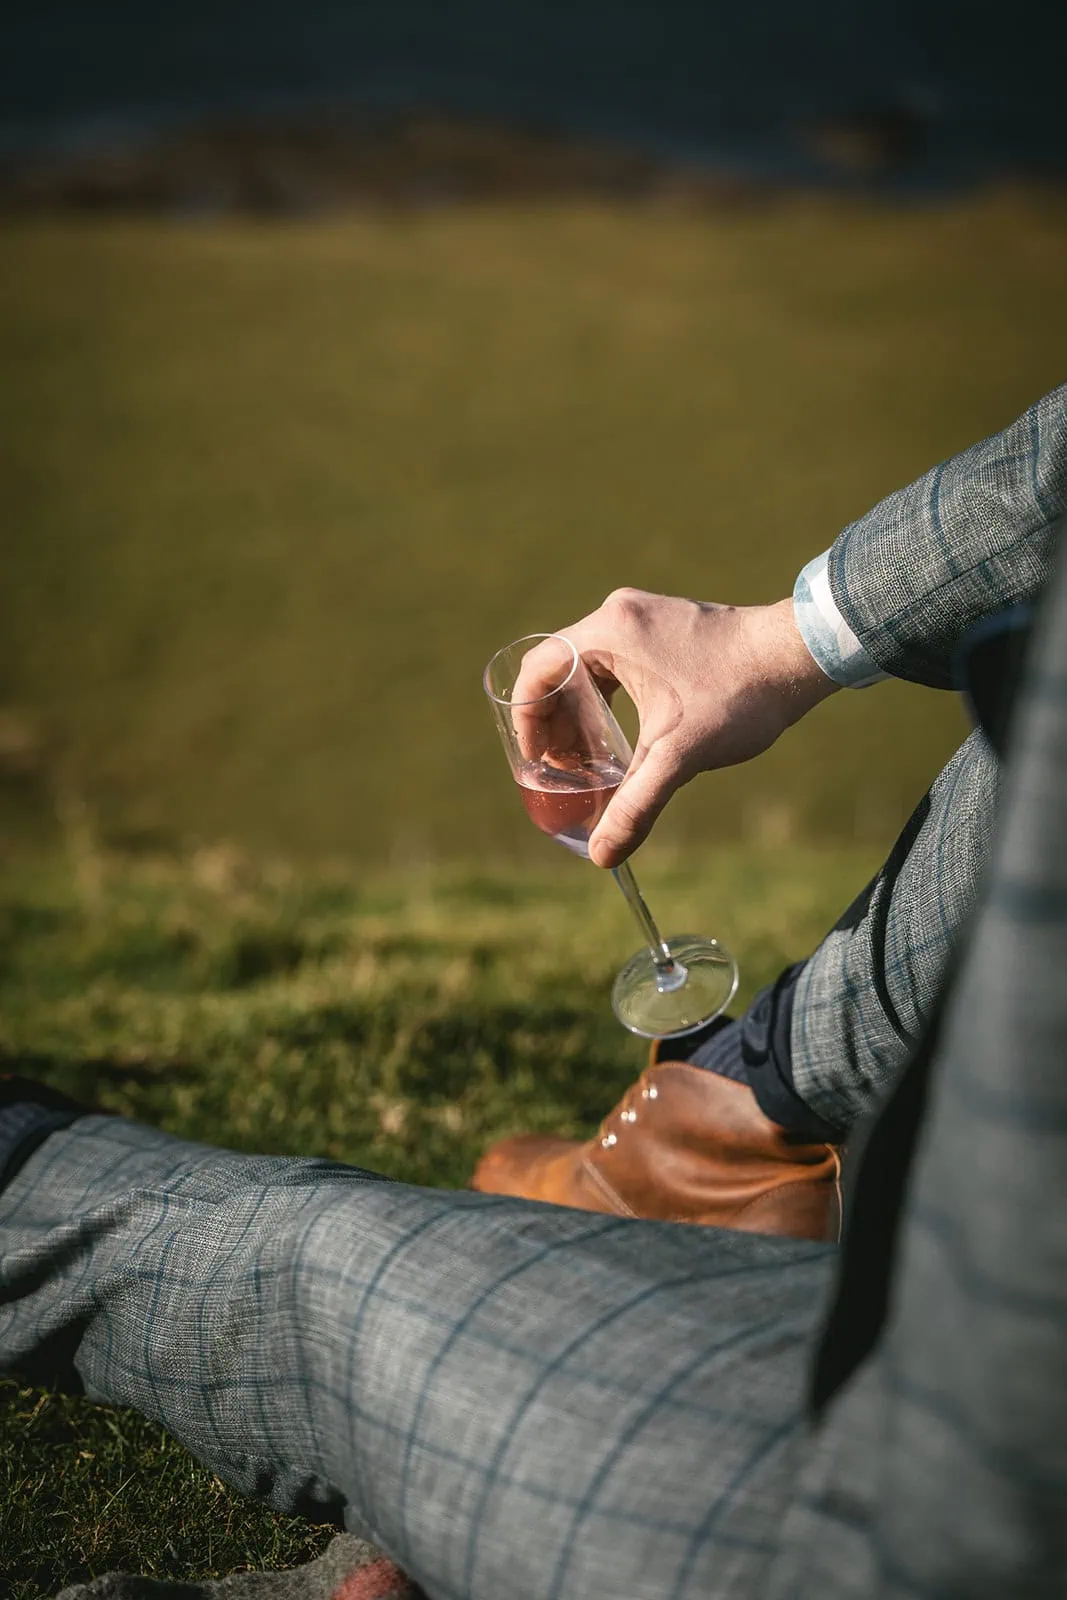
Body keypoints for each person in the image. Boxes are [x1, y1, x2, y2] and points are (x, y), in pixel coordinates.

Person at [1, 386, 1065, 1600]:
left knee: (320, 1267)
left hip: (915, 1502)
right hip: (946, 1379)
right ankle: (733, 1110)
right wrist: (786, 640)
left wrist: (787, 637)